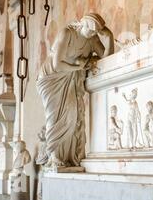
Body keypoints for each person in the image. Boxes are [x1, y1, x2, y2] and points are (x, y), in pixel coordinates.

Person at [37, 13, 114, 169]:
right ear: (82, 23)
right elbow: (57, 65)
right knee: (54, 116)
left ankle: (66, 157)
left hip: (70, 77)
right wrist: (79, 66)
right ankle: (54, 156)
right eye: (89, 29)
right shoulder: (67, 33)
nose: (91, 33)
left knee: (72, 114)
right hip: (51, 78)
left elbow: (107, 59)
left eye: (94, 32)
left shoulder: (92, 39)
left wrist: (110, 37)